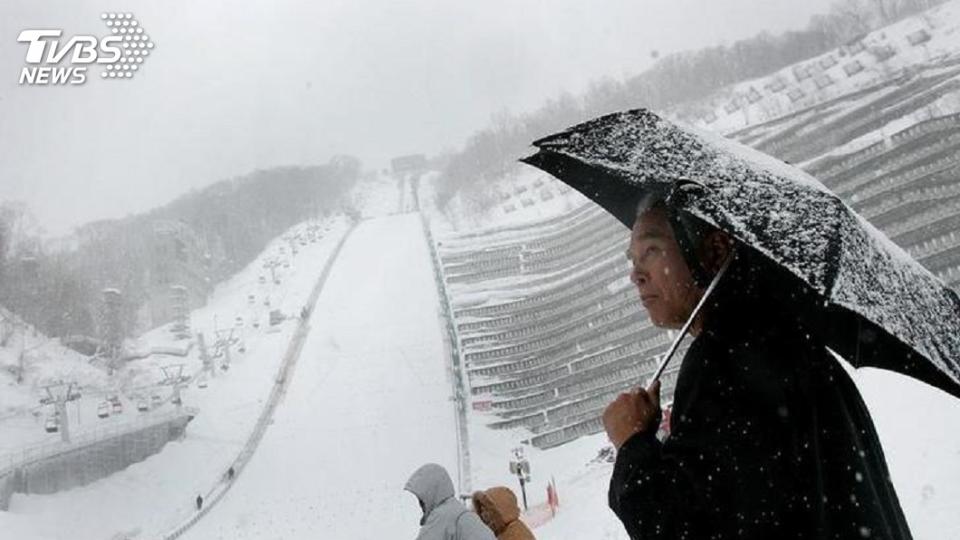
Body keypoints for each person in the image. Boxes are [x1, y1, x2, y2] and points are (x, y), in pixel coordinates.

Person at [601, 196, 912, 539]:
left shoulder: (724, 362)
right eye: (633, 260)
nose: (636, 275)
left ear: (716, 251)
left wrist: (632, 446)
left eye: (652, 251)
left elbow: (683, 529)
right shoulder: (781, 338)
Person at [405, 463, 495, 540]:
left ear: (431, 492)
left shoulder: (442, 516)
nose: (421, 505)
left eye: (422, 500)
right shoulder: (458, 511)